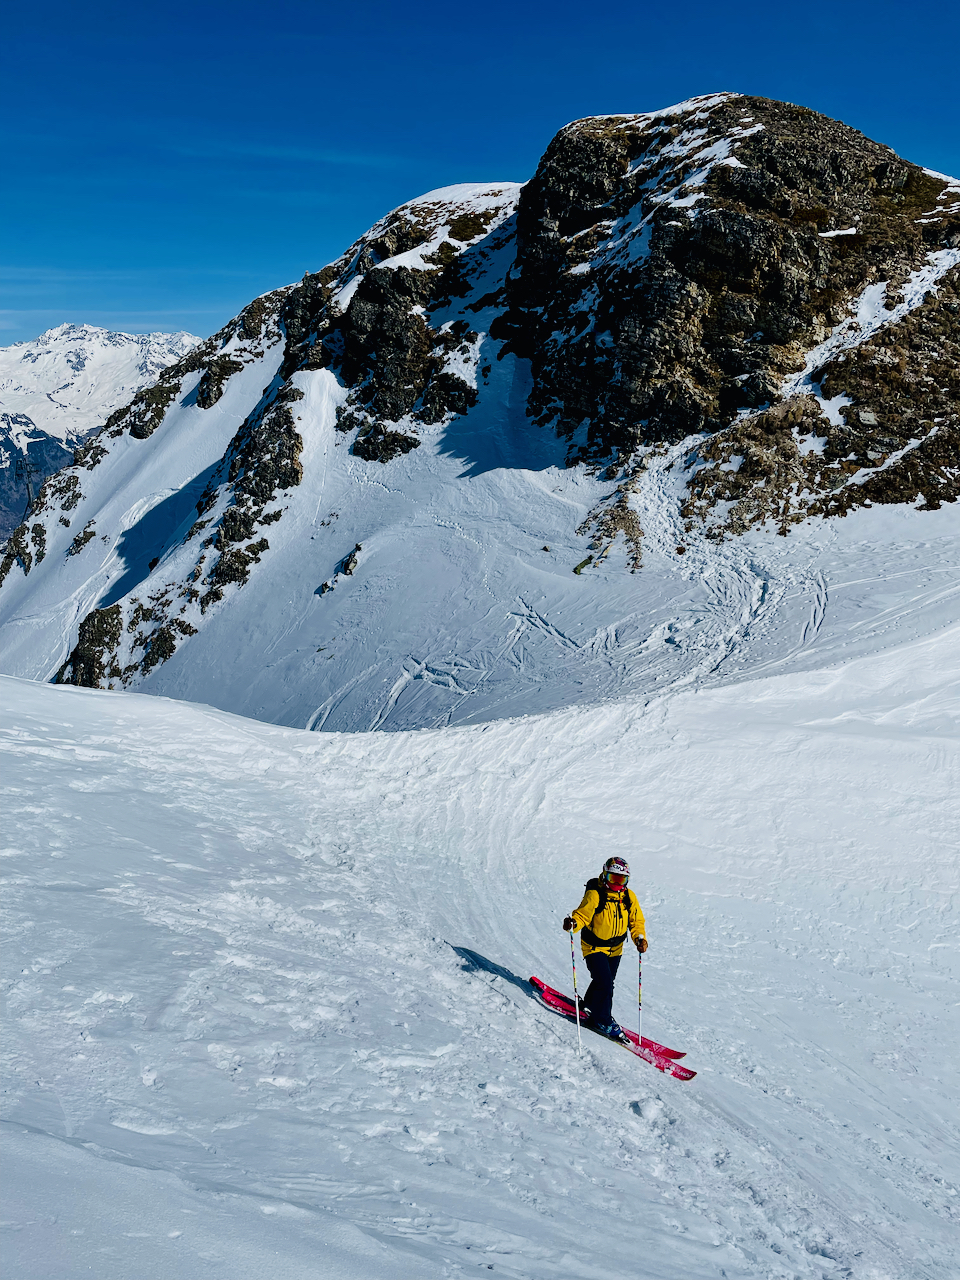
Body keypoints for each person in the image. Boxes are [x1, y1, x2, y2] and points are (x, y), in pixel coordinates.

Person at [563, 856, 647, 1041]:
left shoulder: (628, 897)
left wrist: (639, 938)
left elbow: (636, 921)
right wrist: (574, 923)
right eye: (613, 878)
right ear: (604, 874)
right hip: (594, 946)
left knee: (606, 980)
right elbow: (583, 915)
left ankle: (591, 1005)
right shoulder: (595, 894)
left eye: (621, 879)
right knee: (605, 982)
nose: (617, 884)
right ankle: (602, 1020)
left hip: (615, 948)